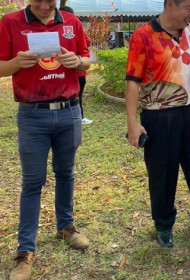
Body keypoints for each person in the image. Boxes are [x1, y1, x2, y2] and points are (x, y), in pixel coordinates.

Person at [0, 1, 91, 279]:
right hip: (32, 115)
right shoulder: (11, 22)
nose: (43, 5)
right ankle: (25, 251)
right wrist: (16, 63)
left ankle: (66, 227)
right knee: (32, 182)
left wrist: (78, 62)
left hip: (70, 112)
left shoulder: (71, 23)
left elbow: (88, 59)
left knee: (66, 172)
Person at [125, 0, 190, 248]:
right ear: (171, 4)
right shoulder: (143, 36)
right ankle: (163, 223)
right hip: (160, 115)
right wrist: (132, 123)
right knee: (163, 172)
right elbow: (133, 81)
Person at [59, 5, 93, 125]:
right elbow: (88, 42)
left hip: (74, 70)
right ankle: (79, 117)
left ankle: (78, 118)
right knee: (77, 97)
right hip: (76, 73)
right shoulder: (72, 28)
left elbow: (86, 45)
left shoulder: (72, 27)